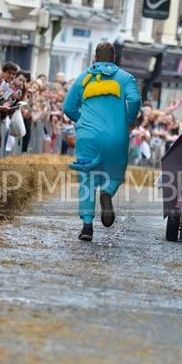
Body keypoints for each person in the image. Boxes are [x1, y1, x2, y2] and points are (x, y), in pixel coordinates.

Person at [63, 42, 141, 241]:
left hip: (88, 136)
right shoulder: (126, 78)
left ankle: (87, 225)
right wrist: (129, 119)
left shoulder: (83, 78)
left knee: (87, 179)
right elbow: (134, 100)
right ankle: (107, 192)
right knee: (115, 173)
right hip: (116, 135)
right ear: (115, 58)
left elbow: (68, 107)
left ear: (95, 58)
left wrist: (83, 122)